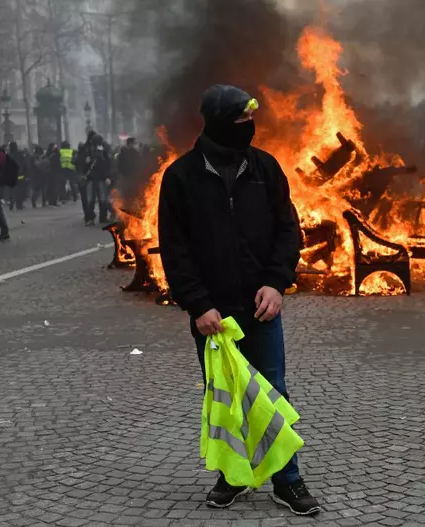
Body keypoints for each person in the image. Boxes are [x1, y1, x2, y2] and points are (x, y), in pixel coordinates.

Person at [158, 85, 320, 516]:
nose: (249, 129)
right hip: (213, 315)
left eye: (251, 121)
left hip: (261, 306)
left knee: (272, 393)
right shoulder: (181, 178)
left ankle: (288, 481)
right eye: (240, 122)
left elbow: (289, 231)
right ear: (216, 124)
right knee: (226, 398)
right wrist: (197, 305)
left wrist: (276, 282)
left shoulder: (266, 169)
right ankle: (233, 476)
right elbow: (175, 250)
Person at [83, 132, 111, 226]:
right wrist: (107, 176)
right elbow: (107, 164)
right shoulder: (102, 151)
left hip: (93, 178)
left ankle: (91, 219)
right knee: (101, 199)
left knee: (91, 200)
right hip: (99, 178)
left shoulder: (89, 151)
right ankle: (102, 217)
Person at [7, 142, 28, 211]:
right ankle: (19, 204)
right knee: (20, 190)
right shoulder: (20, 155)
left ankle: (12, 201)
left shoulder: (8, 155)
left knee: (12, 190)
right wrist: (25, 172)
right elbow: (24, 164)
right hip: (20, 175)